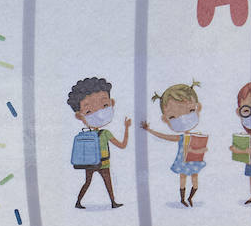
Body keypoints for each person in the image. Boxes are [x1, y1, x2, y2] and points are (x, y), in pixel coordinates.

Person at [67, 76, 131, 209]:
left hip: (90, 163)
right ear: (80, 116)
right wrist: (126, 128)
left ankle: (79, 202)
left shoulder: (89, 134)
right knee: (107, 182)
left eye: (104, 105)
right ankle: (113, 202)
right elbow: (122, 145)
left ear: (111, 103)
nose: (99, 113)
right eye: (89, 111)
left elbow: (123, 146)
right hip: (103, 162)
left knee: (88, 182)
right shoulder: (105, 134)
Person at [141, 80, 207, 207]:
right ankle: (182, 199)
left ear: (198, 108)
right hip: (182, 161)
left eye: (190, 110)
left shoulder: (197, 136)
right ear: (165, 119)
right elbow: (165, 136)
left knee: (195, 182)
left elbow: (201, 149)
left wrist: (202, 150)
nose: (182, 118)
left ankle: (190, 198)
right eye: (173, 117)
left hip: (194, 161)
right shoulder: (181, 138)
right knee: (182, 180)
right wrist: (149, 130)